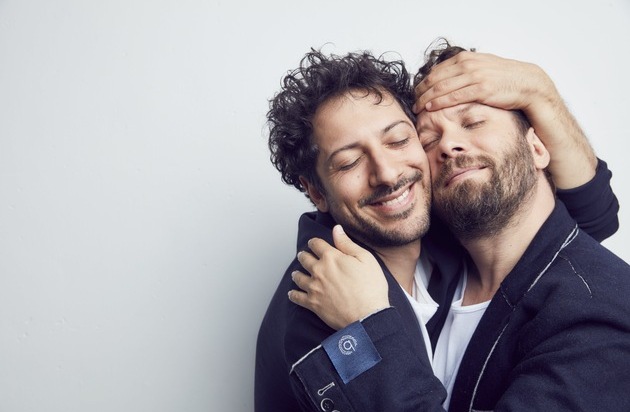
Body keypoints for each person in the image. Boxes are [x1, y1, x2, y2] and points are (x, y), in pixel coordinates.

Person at [255, 42, 620, 412]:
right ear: (317, 192)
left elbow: (593, 218)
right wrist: (368, 327)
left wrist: (539, 92)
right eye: (349, 162)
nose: (388, 173)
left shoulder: (443, 239)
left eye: (399, 140)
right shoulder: (322, 307)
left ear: (539, 148)